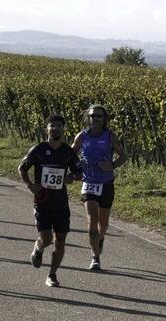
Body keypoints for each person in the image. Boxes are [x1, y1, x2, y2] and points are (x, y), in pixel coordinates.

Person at [19, 114, 82, 287]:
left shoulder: (68, 152)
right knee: (46, 238)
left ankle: (52, 274)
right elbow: (22, 168)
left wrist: (72, 177)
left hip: (61, 202)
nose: (55, 129)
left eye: (58, 126)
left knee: (60, 240)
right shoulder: (38, 149)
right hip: (42, 201)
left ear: (63, 129)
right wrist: (30, 185)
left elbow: (79, 172)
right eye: (51, 126)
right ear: (46, 129)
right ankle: (38, 248)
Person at [71, 104, 126, 271]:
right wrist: (76, 169)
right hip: (89, 183)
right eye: (93, 116)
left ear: (104, 119)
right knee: (92, 219)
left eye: (99, 116)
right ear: (88, 117)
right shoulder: (82, 136)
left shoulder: (110, 137)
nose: (95, 119)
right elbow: (70, 154)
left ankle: (100, 238)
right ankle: (95, 257)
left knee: (104, 222)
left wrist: (112, 165)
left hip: (106, 183)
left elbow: (123, 156)